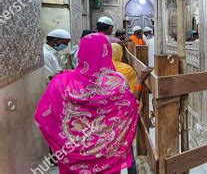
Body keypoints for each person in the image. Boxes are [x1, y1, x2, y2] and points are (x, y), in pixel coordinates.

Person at [35, 33, 153, 173]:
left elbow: (42, 117)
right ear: (107, 52)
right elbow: (131, 106)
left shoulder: (60, 82)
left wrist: (60, 142)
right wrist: (139, 82)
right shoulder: (116, 82)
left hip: (72, 158)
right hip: (107, 160)